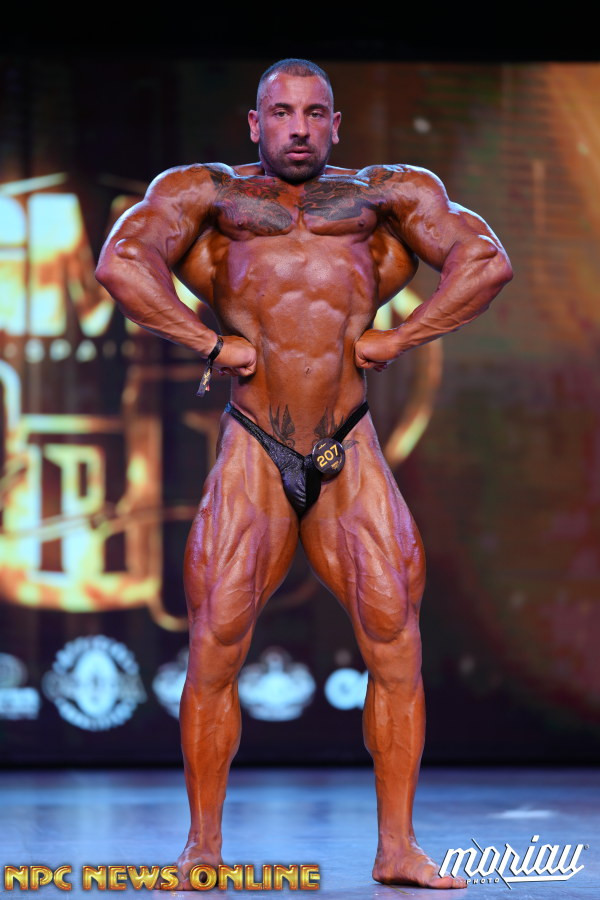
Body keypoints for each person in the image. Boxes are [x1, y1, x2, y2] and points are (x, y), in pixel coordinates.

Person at [96, 58, 512, 889]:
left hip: (346, 445)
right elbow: (122, 262)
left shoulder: (383, 195)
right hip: (255, 445)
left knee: (395, 643)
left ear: (335, 123)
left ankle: (398, 849)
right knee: (215, 646)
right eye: (281, 113)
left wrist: (405, 336)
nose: (298, 127)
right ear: (255, 123)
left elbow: (486, 260)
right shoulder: (210, 195)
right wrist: (207, 342)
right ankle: (202, 850)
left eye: (314, 113)